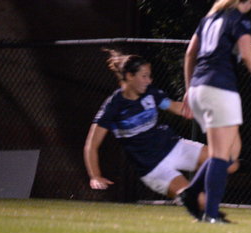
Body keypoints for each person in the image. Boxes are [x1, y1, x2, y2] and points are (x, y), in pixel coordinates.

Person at [178, 0, 251, 224]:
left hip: (199, 88)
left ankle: (191, 193)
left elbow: (190, 54)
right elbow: (248, 55)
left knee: (231, 152)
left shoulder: (208, 19)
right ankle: (211, 213)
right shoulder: (238, 19)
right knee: (220, 155)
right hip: (219, 88)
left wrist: (189, 89)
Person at [84, 49, 234, 201]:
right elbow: (91, 145)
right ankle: (192, 197)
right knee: (198, 201)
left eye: (149, 76)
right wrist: (95, 176)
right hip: (153, 167)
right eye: (144, 76)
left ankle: (196, 192)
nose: (149, 81)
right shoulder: (112, 107)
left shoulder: (151, 93)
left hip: (173, 146)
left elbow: (176, 107)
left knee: (229, 164)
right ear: (129, 76)